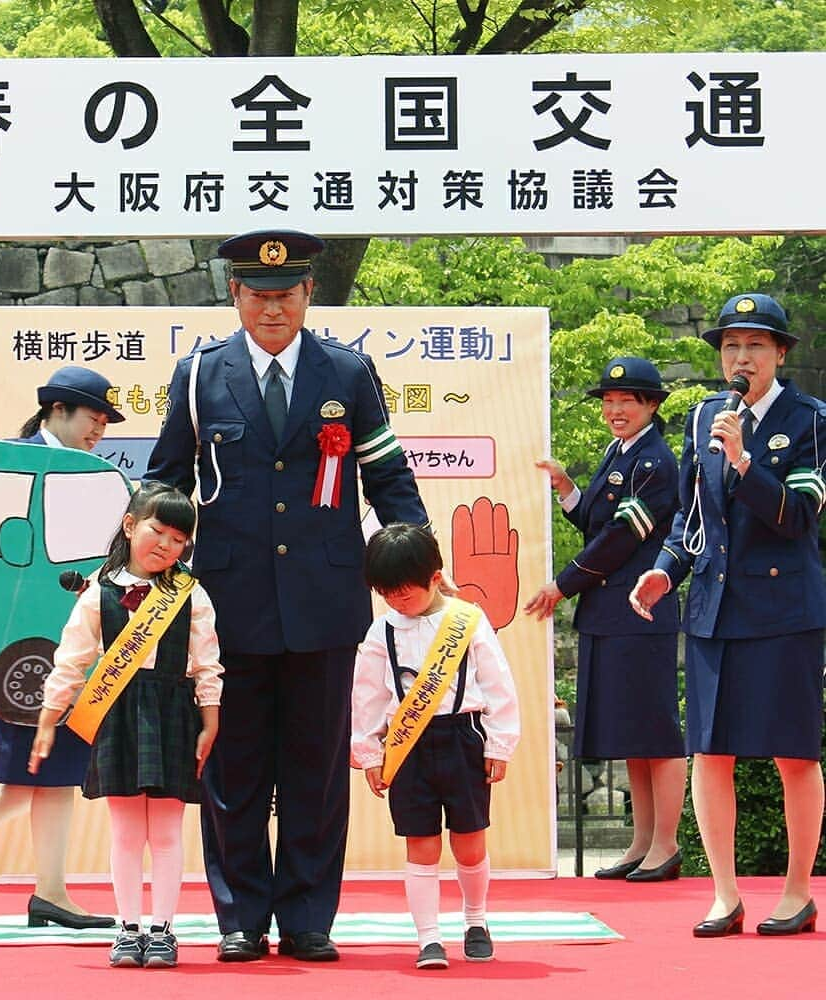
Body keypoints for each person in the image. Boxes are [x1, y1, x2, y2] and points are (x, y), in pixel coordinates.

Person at [143, 229, 429, 962]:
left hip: (326, 602)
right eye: (258, 295)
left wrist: (419, 562)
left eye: (287, 294)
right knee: (232, 768)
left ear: (308, 294)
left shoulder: (349, 371)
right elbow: (166, 479)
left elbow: (389, 478)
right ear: (235, 296)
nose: (273, 307)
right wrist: (146, 558)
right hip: (227, 604)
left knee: (316, 768)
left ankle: (307, 917)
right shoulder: (201, 374)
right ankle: (239, 917)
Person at [630, 294, 825, 937]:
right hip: (714, 607)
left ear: (780, 354)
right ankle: (724, 894)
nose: (740, 358)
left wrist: (744, 460)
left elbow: (799, 516)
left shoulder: (810, 420)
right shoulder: (704, 417)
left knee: (792, 754)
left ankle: (797, 893)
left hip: (784, 609)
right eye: (730, 346)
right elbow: (691, 515)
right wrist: (664, 569)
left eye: (755, 346)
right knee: (710, 753)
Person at [0, 366, 123, 926]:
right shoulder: (6, 458)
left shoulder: (90, 476)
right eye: (95, 417)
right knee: (35, 768)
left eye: (107, 422)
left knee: (52, 773)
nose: (100, 430)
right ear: (56, 410)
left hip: (66, 648)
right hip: (18, 649)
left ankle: (46, 888)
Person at [29, 482, 222, 969]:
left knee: (167, 831)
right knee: (124, 832)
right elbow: (71, 661)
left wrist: (210, 720)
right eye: (158, 531)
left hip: (173, 710)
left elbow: (206, 664)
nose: (166, 546)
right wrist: (49, 721)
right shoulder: (99, 592)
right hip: (116, 711)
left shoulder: (190, 593)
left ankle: (163, 929)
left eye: (179, 540)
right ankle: (128, 928)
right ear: (130, 525)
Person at [524, 357, 686, 882]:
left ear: (652, 406)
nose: (615, 410)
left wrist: (562, 583)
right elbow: (597, 519)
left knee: (656, 731)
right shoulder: (621, 453)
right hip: (609, 612)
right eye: (609, 402)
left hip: (639, 611)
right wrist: (567, 486)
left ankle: (666, 844)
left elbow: (620, 539)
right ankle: (641, 842)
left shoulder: (655, 462)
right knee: (632, 733)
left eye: (628, 402)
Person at [351, 524, 520, 970]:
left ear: (434, 576)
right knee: (420, 843)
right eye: (387, 594)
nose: (397, 603)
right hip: (406, 749)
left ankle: (476, 921)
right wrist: (368, 752)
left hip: (463, 739)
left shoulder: (468, 620)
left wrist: (500, 745)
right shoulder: (379, 631)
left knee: (468, 841)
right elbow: (367, 695)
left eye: (405, 593)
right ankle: (428, 938)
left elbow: (497, 684)